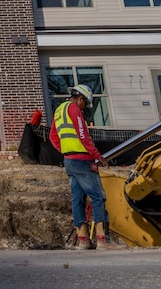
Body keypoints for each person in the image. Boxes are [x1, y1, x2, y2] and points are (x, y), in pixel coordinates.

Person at [49, 84, 121, 250]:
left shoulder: (59, 110)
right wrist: (98, 156)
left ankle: (83, 240)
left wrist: (67, 151)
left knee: (77, 200)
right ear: (81, 98)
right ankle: (102, 240)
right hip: (82, 160)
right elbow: (83, 134)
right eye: (86, 103)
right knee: (98, 196)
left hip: (70, 161)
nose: (85, 107)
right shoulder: (74, 108)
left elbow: (53, 137)